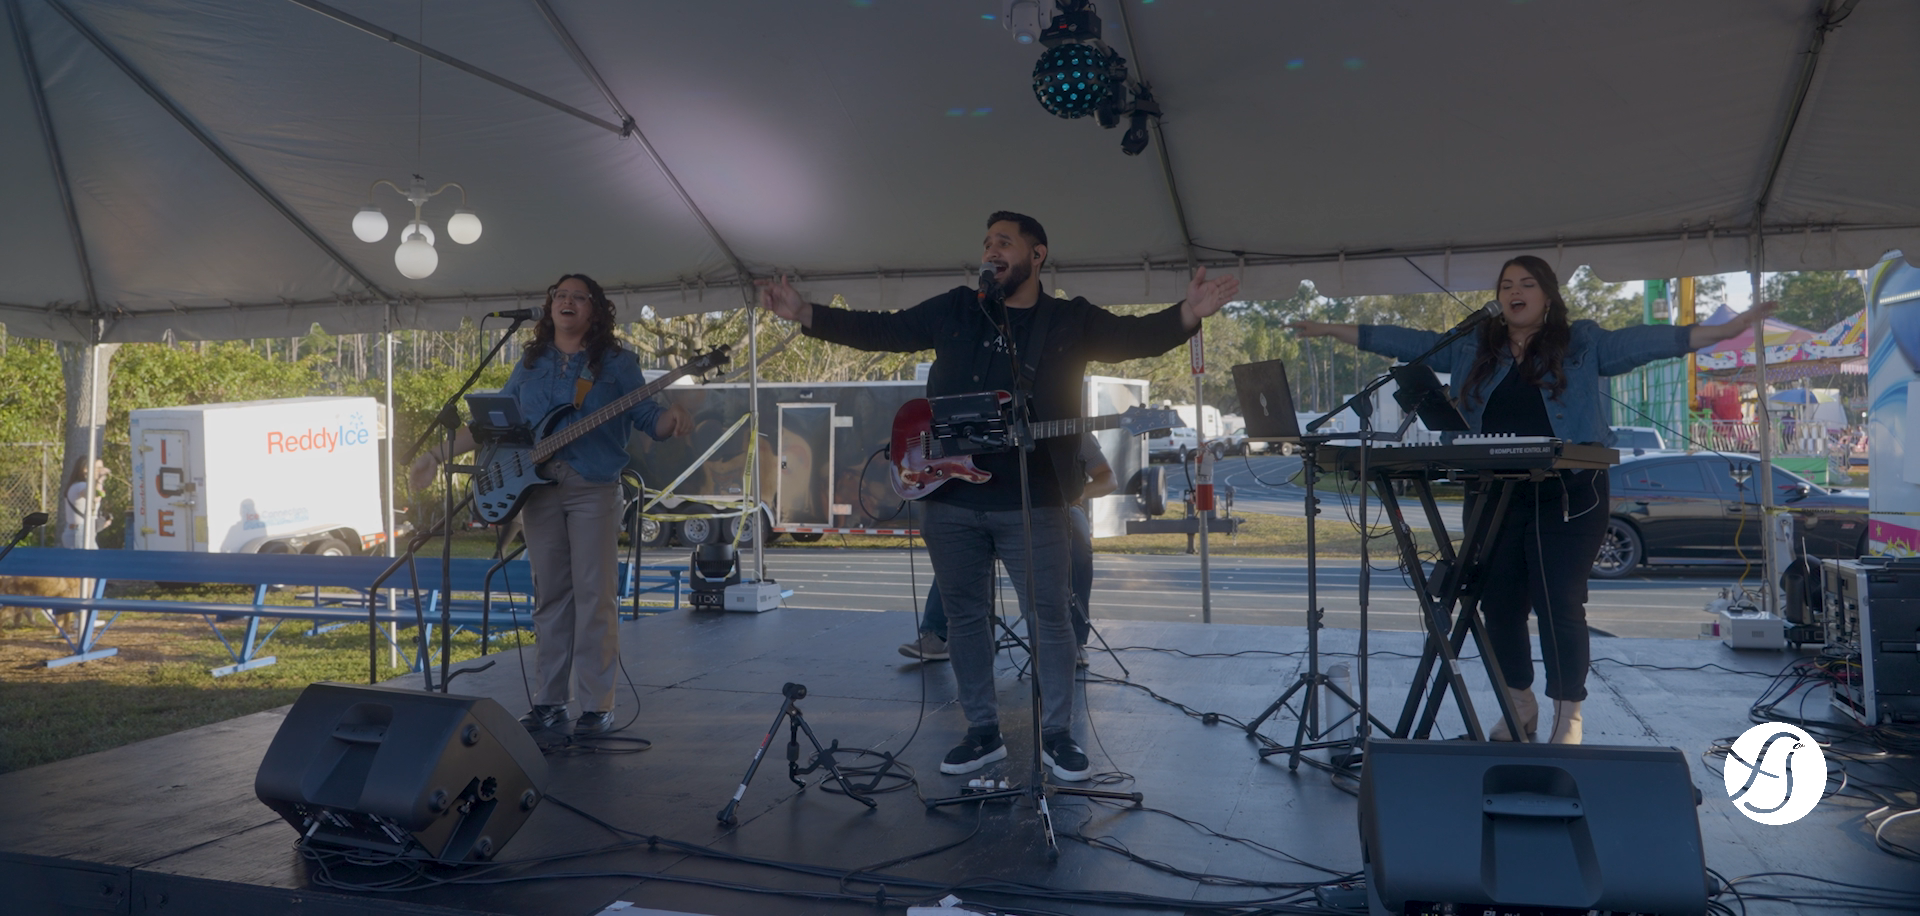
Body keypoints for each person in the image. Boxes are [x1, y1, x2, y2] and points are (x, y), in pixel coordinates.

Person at [761, 211, 1236, 780]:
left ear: (1037, 256)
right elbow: (881, 330)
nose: (991, 250)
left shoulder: (1067, 320)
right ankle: (982, 731)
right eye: (987, 242)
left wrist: (1187, 314)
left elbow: (1133, 338)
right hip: (949, 498)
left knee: (1051, 620)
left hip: (1034, 502)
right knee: (965, 620)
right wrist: (806, 314)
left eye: (1004, 242)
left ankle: (1057, 734)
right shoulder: (955, 309)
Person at [1290, 255, 1773, 744]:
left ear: (1547, 295)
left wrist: (1721, 331)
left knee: (1558, 603)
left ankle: (1569, 715)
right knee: (1498, 604)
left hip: (1568, 492)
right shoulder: (1475, 345)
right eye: (1505, 285)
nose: (1513, 291)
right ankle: (1518, 705)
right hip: (1495, 492)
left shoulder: (1581, 342)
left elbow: (1642, 343)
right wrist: (1332, 328)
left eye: (1526, 283)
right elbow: (1408, 342)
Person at [410, 274, 691, 738]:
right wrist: (435, 454)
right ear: (550, 307)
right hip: (537, 489)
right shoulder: (533, 360)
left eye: (578, 297)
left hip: (592, 486)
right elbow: (494, 421)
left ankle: (597, 705)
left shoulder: (617, 363)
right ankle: (549, 701)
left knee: (594, 595)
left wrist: (672, 417)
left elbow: (647, 418)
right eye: (560, 295)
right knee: (550, 595)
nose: (566, 302)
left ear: (595, 311)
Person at [898, 434, 1112, 666]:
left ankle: (1075, 638)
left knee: (1078, 543)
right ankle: (937, 634)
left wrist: (1078, 495)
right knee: (960, 547)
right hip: (993, 503)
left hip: (1053, 505)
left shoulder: (1072, 429)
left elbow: (1108, 478)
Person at [59, 459, 110, 549]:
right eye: (98, 468)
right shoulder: (81, 486)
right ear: (85, 469)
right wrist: (100, 480)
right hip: (79, 532)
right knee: (90, 562)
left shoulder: (79, 485)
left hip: (80, 531)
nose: (101, 471)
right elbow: (94, 497)